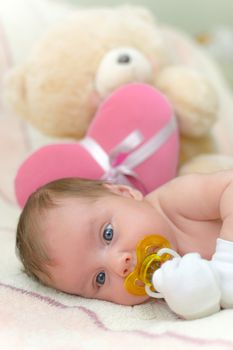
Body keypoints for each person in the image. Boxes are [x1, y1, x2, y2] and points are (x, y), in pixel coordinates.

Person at [16, 170, 233, 319]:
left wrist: (227, 259)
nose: (119, 264)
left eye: (108, 234)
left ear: (125, 193)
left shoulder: (175, 202)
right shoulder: (164, 289)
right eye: (100, 279)